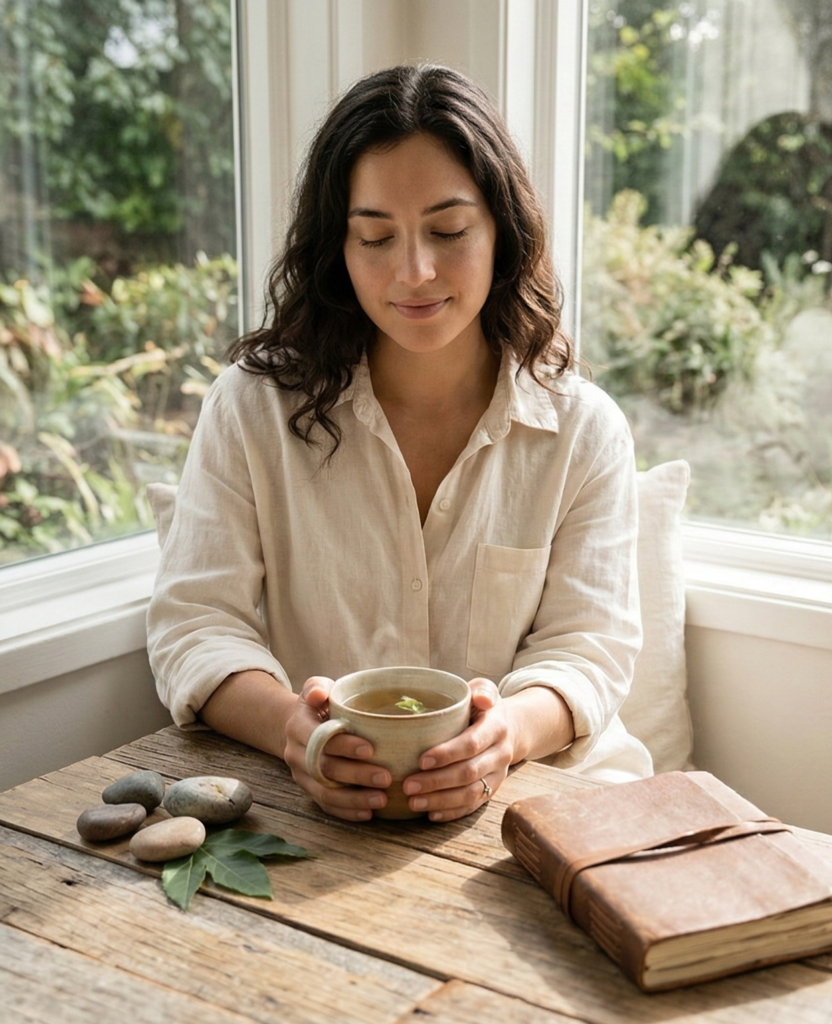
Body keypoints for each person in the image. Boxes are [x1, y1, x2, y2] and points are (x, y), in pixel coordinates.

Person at [146, 63, 652, 824]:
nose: (414, 272)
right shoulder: (251, 409)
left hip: (547, 807)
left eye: (448, 231)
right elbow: (196, 623)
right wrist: (293, 728)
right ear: (338, 248)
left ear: (502, 232)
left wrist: (502, 738)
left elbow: (591, 649)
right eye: (376, 236)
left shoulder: (583, 429)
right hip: (321, 818)